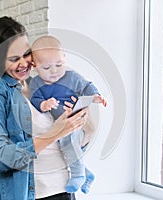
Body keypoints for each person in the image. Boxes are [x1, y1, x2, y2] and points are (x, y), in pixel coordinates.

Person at [0, 16, 88, 200]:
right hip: (34, 195)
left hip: (66, 189)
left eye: (26, 54)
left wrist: (77, 125)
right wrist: (54, 134)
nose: (24, 63)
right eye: (14, 59)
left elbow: (64, 145)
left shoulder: (38, 85)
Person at [29, 35, 107, 194]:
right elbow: (35, 98)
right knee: (64, 148)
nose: (54, 71)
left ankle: (78, 174)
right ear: (34, 66)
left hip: (75, 120)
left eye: (59, 64)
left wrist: (95, 96)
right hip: (61, 125)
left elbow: (87, 86)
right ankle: (86, 173)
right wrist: (44, 104)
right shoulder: (36, 83)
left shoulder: (71, 77)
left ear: (64, 58)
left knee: (69, 143)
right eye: (46, 68)